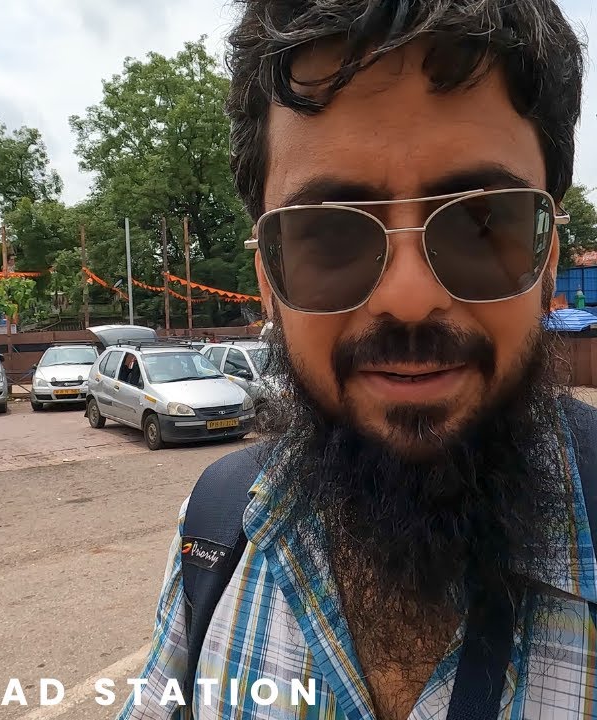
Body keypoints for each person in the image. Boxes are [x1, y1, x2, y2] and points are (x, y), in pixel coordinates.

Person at [122, 4, 597, 719]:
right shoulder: (217, 529)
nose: (410, 298)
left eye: (480, 221)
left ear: (547, 261)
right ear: (269, 284)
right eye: (329, 234)